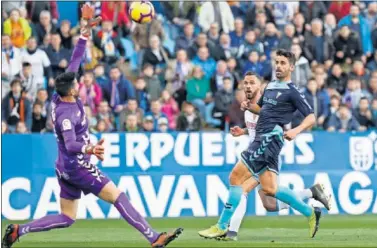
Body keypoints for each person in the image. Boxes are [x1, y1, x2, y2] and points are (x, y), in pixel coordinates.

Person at [1, 6, 182, 248]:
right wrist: (89, 150)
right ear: (72, 91)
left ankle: (18, 231)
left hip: (65, 166)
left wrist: (85, 33)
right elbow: (70, 143)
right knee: (118, 197)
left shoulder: (60, 95)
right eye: (76, 83)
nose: (79, 82)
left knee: (67, 218)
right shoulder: (65, 113)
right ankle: (154, 238)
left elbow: (75, 61)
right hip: (77, 166)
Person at [198, 49, 328, 240]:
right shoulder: (270, 86)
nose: (279, 66)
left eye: (283, 63)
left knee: (236, 178)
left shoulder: (292, 91)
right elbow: (265, 111)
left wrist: (295, 130)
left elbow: (311, 117)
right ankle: (310, 212)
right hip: (264, 138)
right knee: (270, 189)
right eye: (277, 62)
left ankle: (222, 226)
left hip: (268, 138)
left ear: (291, 67)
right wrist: (251, 108)